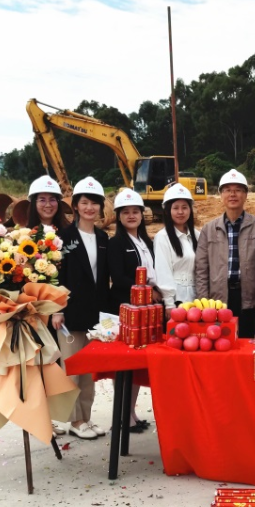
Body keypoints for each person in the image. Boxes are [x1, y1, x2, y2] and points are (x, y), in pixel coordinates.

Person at [51, 176, 110, 440]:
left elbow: (103, 279)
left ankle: (85, 416)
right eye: (84, 202)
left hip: (95, 315)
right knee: (72, 369)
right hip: (70, 314)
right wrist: (57, 309)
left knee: (88, 371)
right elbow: (56, 276)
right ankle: (74, 420)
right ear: (75, 205)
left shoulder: (103, 237)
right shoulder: (63, 238)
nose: (89, 208)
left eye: (94, 203)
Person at [107, 188, 161, 433]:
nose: (131, 216)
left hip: (145, 312)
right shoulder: (116, 243)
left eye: (135, 211)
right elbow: (118, 278)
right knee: (124, 364)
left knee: (137, 364)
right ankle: (121, 417)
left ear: (142, 214)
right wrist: (148, 291)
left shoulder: (147, 241)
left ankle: (131, 413)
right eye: (125, 212)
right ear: (118, 216)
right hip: (126, 311)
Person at [194, 169, 255, 338]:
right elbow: (201, 269)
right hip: (217, 299)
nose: (233, 194)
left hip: (248, 297)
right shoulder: (209, 229)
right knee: (219, 341)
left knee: (245, 341)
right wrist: (203, 301)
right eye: (228, 190)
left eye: (238, 190)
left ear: (245, 195)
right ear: (221, 195)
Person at [25, 174, 72, 436]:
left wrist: (58, 308)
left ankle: (50, 416)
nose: (47, 204)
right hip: (34, 312)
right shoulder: (25, 236)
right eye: (42, 199)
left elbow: (67, 276)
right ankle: (40, 418)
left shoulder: (67, 233)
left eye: (52, 199)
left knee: (54, 365)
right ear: (33, 203)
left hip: (58, 312)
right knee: (38, 365)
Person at [154, 183, 200, 318]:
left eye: (184, 207)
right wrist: (169, 303)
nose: (180, 212)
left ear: (190, 210)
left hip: (196, 298)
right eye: (175, 208)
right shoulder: (163, 237)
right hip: (176, 300)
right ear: (168, 211)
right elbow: (163, 271)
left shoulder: (197, 235)